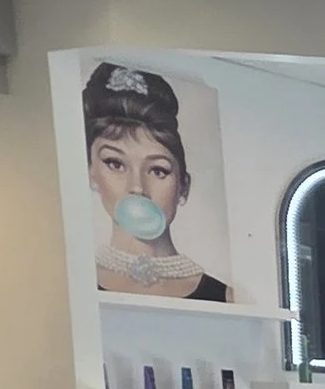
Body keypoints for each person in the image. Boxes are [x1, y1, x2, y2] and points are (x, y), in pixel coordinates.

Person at [84, 64, 227, 300]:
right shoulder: (74, 286)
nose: (137, 187)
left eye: (158, 170)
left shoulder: (224, 295)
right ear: (91, 173)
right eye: (115, 164)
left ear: (184, 186)